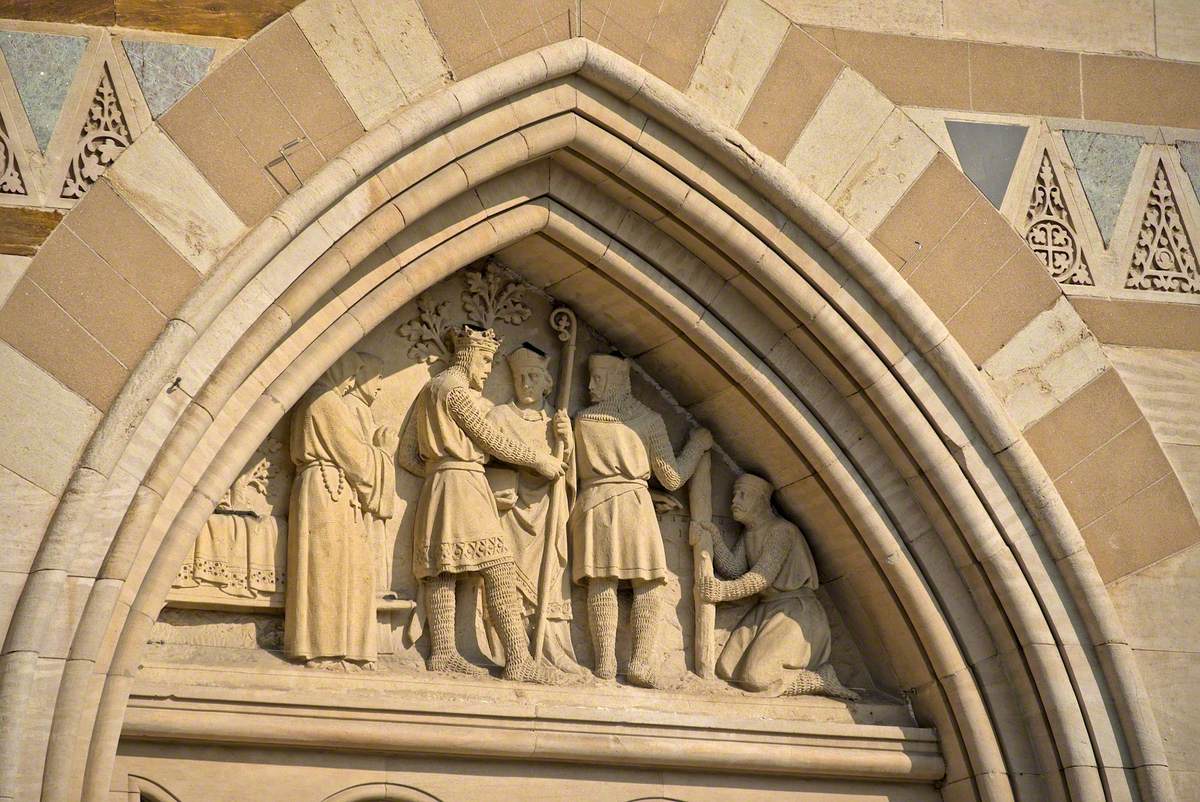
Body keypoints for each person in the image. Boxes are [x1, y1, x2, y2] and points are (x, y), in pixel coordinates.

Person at [398, 325, 566, 684]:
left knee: (443, 569)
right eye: (486, 360)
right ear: (468, 356)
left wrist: (437, 468)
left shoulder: (430, 389)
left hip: (438, 485)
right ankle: (518, 659)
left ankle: (443, 652)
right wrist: (538, 460)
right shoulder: (455, 391)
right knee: (499, 569)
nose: (488, 370)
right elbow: (490, 438)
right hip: (463, 485)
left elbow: (407, 455)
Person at [570, 354, 710, 687]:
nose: (590, 386)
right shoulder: (648, 420)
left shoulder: (582, 420)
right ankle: (639, 664)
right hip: (633, 506)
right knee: (645, 585)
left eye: (598, 379)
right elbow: (673, 477)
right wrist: (697, 444)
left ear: (618, 380)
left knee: (601, 581)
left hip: (595, 505)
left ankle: (604, 663)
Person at [695, 474, 857, 699]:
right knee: (726, 668)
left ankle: (818, 679)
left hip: (795, 612)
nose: (734, 500)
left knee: (757, 677)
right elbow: (734, 569)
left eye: (742, 494)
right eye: (734, 494)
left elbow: (760, 578)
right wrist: (713, 537)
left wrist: (721, 592)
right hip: (767, 609)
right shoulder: (751, 533)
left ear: (761, 501)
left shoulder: (782, 531)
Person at [285, 352, 398, 671]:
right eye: (351, 373)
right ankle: (326, 651)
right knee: (328, 569)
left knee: (343, 567)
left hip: (331, 490)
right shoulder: (324, 400)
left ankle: (343, 649)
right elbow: (356, 460)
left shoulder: (324, 400)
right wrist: (384, 454)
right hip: (328, 490)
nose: (353, 382)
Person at [486, 344, 583, 674]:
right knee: (507, 581)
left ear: (547, 383)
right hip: (509, 511)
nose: (525, 383)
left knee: (551, 578)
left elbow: (568, 472)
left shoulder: (555, 423)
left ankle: (552, 649)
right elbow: (482, 460)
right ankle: (509, 650)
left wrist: (567, 443)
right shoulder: (498, 417)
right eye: (519, 377)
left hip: (548, 512)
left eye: (533, 376)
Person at [341, 352, 397, 599]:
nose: (380, 385)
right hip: (359, 499)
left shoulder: (361, 409)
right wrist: (384, 452)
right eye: (377, 377)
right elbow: (357, 460)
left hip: (369, 496)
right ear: (360, 374)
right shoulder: (351, 407)